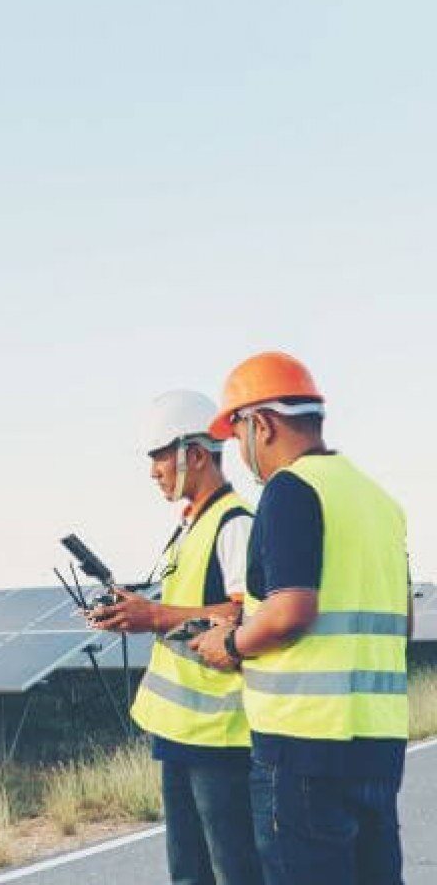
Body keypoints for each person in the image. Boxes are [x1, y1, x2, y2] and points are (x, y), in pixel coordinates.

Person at [192, 352, 409, 885]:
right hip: (377, 742)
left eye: (237, 432)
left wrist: (231, 645)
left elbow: (291, 612)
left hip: (303, 746)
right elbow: (400, 622)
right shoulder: (377, 500)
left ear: (260, 424)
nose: (240, 453)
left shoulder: (291, 488)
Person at [91, 390, 262, 885]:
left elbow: (243, 616)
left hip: (220, 737)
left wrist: (155, 615)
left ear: (195, 454)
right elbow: (181, 614)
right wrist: (135, 611)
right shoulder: (191, 527)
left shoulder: (235, 525)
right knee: (188, 873)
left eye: (159, 456)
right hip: (180, 733)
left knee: (233, 870)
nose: (153, 472)